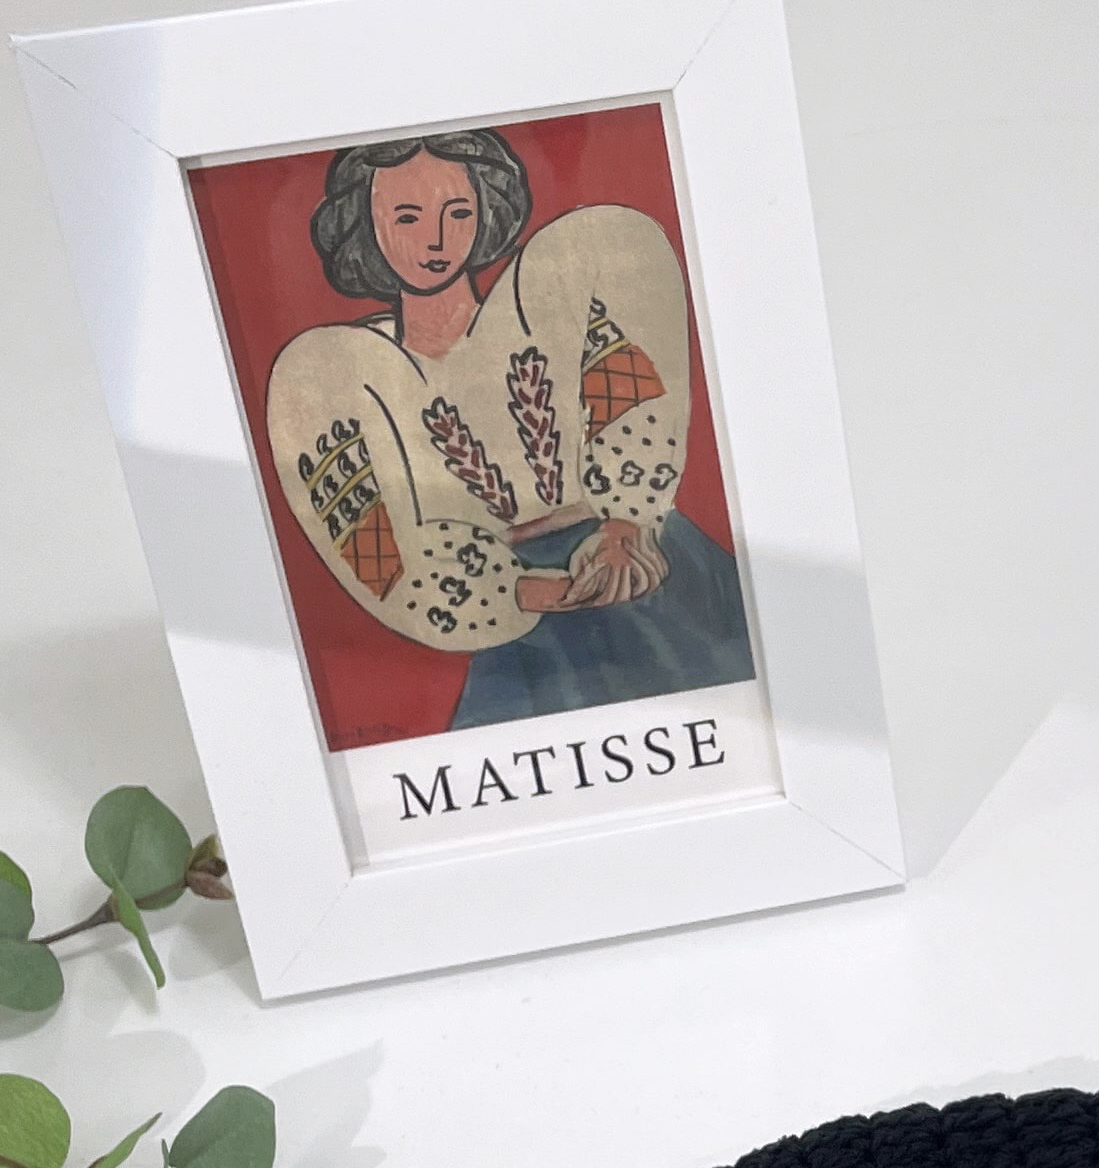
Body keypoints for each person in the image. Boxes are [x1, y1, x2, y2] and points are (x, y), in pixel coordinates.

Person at [264, 127, 756, 730]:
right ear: (364, 224)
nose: (435, 241)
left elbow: (633, 401)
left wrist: (626, 525)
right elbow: (383, 558)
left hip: (640, 563)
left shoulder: (565, 280)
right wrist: (534, 592)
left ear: (486, 209)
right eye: (407, 218)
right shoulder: (332, 374)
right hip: (512, 615)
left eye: (458, 212)